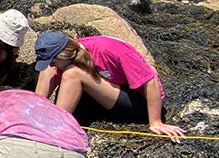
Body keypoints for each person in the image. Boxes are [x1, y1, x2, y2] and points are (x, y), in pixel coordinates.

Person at [33, 32, 185, 140]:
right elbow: (52, 67)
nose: (54, 65)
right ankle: (34, 113)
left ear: (64, 55)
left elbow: (150, 82)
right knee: (49, 69)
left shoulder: (110, 50)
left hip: (139, 103)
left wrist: (156, 122)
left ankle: (56, 126)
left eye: (55, 60)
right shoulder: (71, 56)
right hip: (106, 94)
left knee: (72, 73)